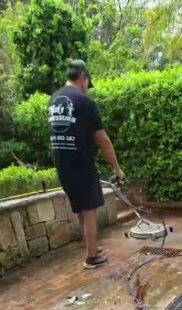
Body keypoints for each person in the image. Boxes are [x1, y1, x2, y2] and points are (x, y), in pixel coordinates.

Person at [48, 60, 124, 269]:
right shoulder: (84, 102)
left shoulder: (54, 100)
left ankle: (91, 247)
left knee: (82, 208)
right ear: (82, 76)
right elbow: (103, 140)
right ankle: (92, 257)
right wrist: (116, 168)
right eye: (87, 83)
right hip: (81, 163)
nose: (87, 89)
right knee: (90, 209)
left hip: (62, 163)